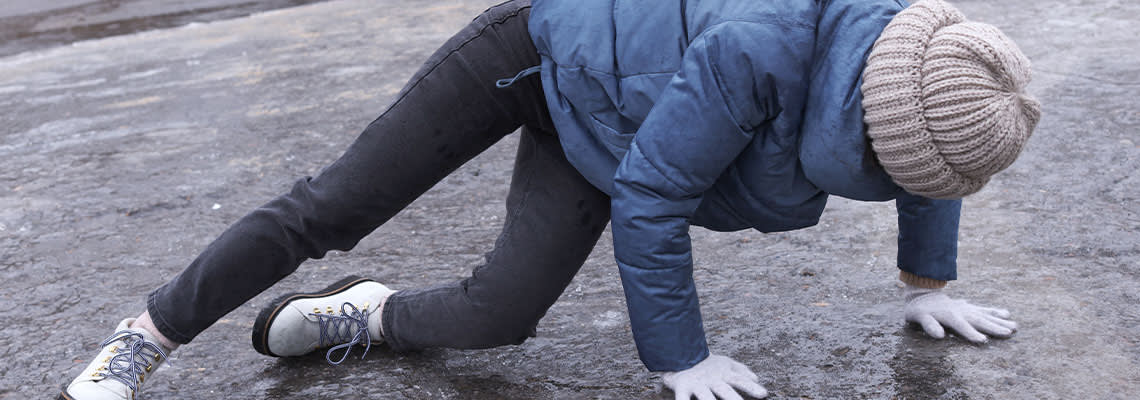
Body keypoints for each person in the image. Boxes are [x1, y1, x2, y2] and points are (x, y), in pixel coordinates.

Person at [58, 0, 1040, 398]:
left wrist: (926, 279)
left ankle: (365, 311)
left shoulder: (920, 67)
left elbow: (933, 147)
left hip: (615, 122)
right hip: (539, 55)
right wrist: (681, 356)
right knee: (333, 206)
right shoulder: (760, 51)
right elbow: (654, 197)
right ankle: (146, 333)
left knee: (500, 314)